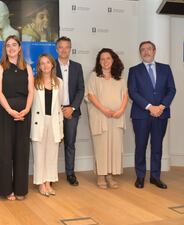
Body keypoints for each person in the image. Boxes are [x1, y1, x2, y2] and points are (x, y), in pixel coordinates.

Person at [128, 41, 176, 189]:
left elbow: (171, 90)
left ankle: (155, 177)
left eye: (149, 49)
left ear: (154, 51)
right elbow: (133, 92)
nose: (146, 52)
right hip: (141, 115)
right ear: (139, 53)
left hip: (161, 114)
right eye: (142, 49)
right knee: (140, 146)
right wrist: (150, 107)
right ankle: (140, 177)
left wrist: (161, 107)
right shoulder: (134, 70)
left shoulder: (165, 69)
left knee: (157, 147)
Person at [0, 35, 34, 200]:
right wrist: (10, 111)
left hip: (24, 114)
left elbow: (31, 91)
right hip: (5, 113)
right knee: (5, 152)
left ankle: (20, 190)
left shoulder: (28, 67)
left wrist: (26, 109)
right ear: (5, 49)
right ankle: (5, 190)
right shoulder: (0, 67)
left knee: (21, 152)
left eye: (14, 45)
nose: (11, 48)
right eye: (8, 46)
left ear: (19, 48)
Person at [85, 48, 128, 189]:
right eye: (102, 59)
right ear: (99, 62)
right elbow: (90, 95)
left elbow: (126, 95)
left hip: (116, 117)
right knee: (101, 146)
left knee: (114, 147)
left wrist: (121, 110)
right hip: (100, 116)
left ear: (113, 59)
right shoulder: (94, 76)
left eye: (108, 58)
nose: (105, 61)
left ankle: (110, 175)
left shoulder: (120, 77)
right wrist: (105, 110)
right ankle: (101, 175)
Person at [30, 54, 64, 196]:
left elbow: (60, 102)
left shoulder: (59, 82)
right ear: (39, 66)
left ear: (52, 65)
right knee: (39, 154)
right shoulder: (33, 82)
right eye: (42, 63)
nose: (45, 66)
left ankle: (49, 182)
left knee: (52, 154)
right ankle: (41, 183)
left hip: (54, 121)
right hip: (39, 121)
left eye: (48, 62)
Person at [55, 36, 85, 186]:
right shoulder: (50, 66)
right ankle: (51, 175)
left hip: (72, 111)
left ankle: (70, 173)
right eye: (61, 47)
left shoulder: (77, 67)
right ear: (56, 49)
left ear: (70, 49)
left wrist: (72, 108)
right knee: (53, 143)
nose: (64, 50)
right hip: (55, 111)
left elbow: (81, 90)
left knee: (70, 143)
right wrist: (59, 108)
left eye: (67, 47)